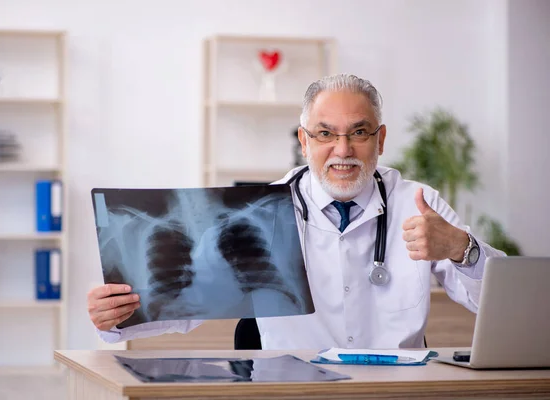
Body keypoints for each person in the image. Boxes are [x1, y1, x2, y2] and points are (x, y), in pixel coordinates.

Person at [87, 73, 506, 349]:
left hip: (395, 390)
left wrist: (461, 248)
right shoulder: (257, 211)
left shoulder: (420, 202)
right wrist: (116, 317)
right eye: (325, 134)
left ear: (380, 140)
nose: (342, 150)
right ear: (304, 142)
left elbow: (503, 305)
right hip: (293, 390)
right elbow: (187, 303)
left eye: (358, 133)